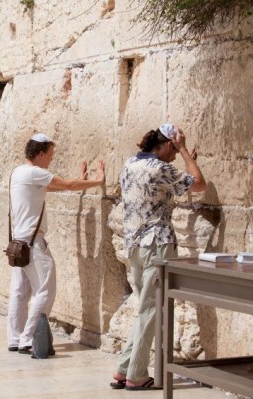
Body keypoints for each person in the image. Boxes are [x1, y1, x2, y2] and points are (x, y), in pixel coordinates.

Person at [110, 124, 206, 390]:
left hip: (135, 246)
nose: (174, 154)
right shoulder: (161, 168)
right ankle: (136, 375)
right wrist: (186, 152)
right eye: (173, 149)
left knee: (144, 307)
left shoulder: (130, 164)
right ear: (165, 145)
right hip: (157, 244)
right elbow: (198, 184)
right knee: (151, 310)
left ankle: (123, 369)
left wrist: (182, 160)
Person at [7, 132, 105, 355]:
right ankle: (29, 338)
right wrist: (97, 180)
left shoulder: (19, 173)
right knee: (46, 290)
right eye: (50, 155)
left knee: (20, 291)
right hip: (33, 243)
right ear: (40, 153)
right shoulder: (35, 172)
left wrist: (80, 182)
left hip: (18, 243)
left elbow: (57, 186)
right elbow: (68, 185)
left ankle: (14, 338)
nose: (51, 159)